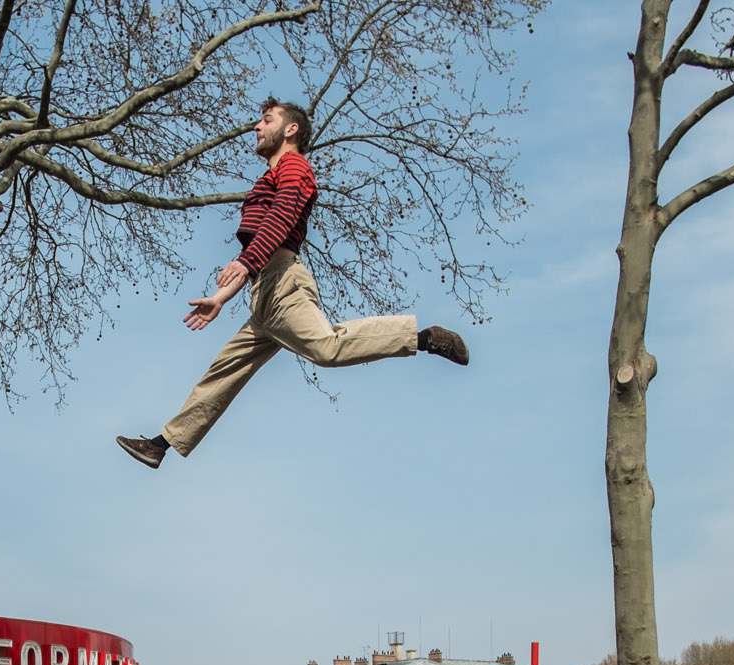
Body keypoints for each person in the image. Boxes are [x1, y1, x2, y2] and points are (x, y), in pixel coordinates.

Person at [114, 98, 471, 470]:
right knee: (224, 371)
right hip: (263, 293)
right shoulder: (269, 177)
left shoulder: (295, 167)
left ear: (290, 129)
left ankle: (424, 338)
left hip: (283, 283)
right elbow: (256, 249)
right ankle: (160, 444)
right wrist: (221, 298)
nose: (257, 126)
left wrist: (246, 261)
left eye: (266, 120)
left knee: (327, 348)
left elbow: (283, 218)